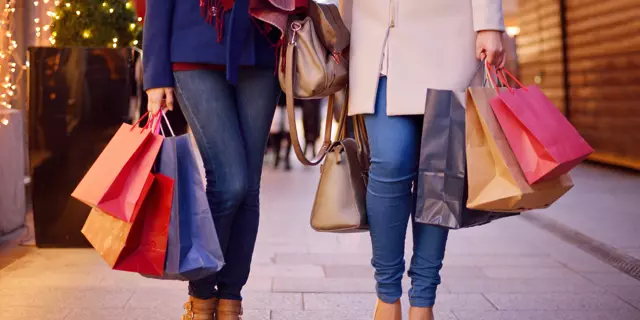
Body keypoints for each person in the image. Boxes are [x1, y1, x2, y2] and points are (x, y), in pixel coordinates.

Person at [339, 0, 506, 319]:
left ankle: (423, 300)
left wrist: (489, 23)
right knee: (390, 161)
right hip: (376, 33)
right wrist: (338, 31)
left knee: (440, 171)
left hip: (450, 35)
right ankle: (387, 295)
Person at [143, 1, 284, 319]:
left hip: (261, 45)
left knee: (248, 186)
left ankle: (230, 301)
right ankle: (202, 297)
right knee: (230, 182)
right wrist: (155, 74)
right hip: (193, 46)